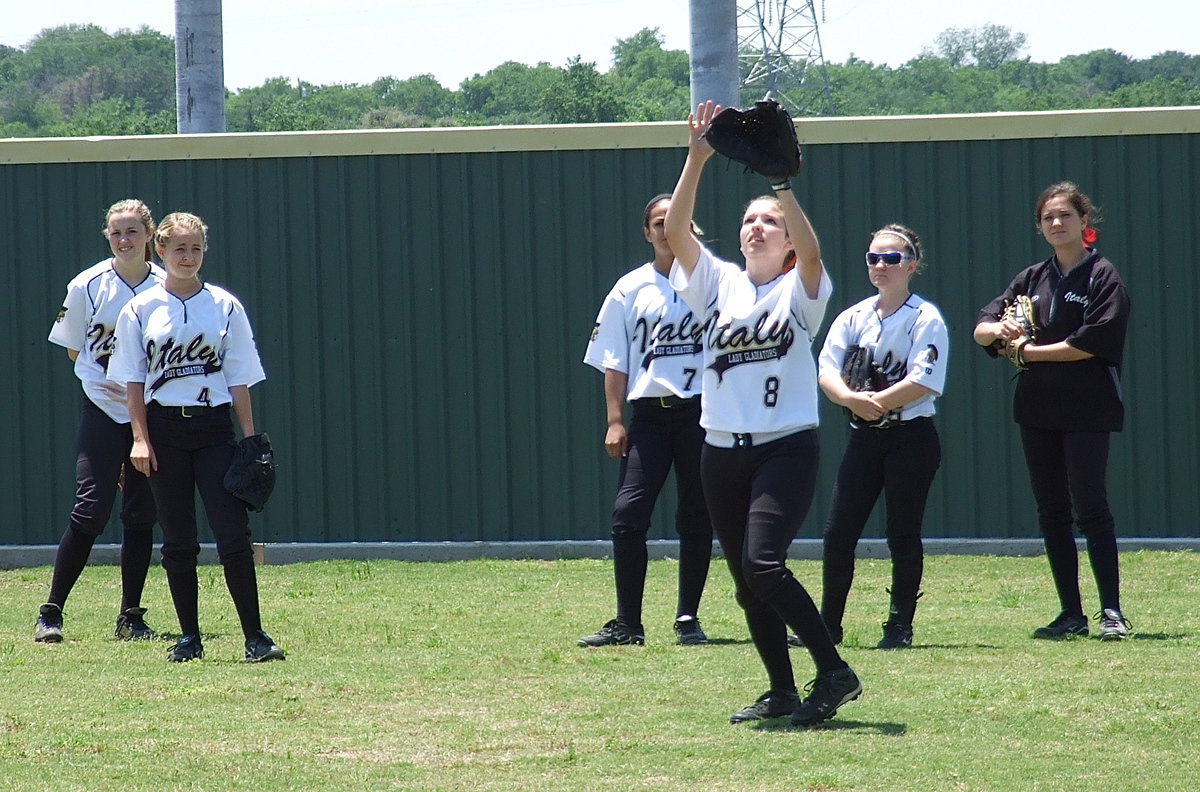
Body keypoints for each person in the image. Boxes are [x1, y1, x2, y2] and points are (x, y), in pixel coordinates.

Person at [664, 100, 860, 727]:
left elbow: (814, 253)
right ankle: (782, 690)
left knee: (764, 565)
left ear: (785, 241)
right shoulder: (718, 282)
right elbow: (675, 232)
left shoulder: (800, 292)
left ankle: (834, 671)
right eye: (749, 220)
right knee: (748, 583)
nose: (756, 228)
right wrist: (697, 158)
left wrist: (781, 188)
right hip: (719, 449)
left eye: (767, 223)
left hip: (784, 447)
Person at [108, 211, 285, 663]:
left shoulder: (224, 305)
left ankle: (256, 637)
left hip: (212, 427)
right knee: (179, 539)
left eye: (196, 248)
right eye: (179, 248)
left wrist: (249, 441)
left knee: (232, 534)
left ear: (205, 251)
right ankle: (190, 636)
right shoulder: (139, 308)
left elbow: (240, 377)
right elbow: (131, 380)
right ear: (160, 250)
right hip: (163, 428)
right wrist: (139, 439)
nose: (188, 256)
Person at [973, 181, 1132, 641]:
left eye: (1065, 215)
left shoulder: (1103, 277)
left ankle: (1111, 612)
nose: (1056, 223)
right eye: (1048, 218)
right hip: (1038, 409)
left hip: (1087, 408)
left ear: (1085, 222)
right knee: (1052, 511)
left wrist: (1026, 352)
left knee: (1091, 507)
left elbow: (1091, 344)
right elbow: (983, 324)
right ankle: (1070, 614)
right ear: (1040, 227)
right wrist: (994, 330)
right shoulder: (1032, 279)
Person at [578, 193, 713, 648]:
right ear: (647, 231)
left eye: (674, 221)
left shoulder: (712, 282)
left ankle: (688, 617)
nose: (665, 229)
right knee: (628, 514)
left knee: (697, 516)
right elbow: (614, 359)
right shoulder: (629, 288)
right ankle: (627, 624)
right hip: (650, 418)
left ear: (690, 228)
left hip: (700, 414)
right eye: (658, 222)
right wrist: (615, 420)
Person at [36, 199, 164, 644]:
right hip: (104, 409)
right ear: (107, 237)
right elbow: (75, 350)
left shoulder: (169, 285)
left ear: (150, 235)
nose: (124, 240)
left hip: (150, 413)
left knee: (141, 514)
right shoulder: (88, 285)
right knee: (90, 508)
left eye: (132, 231)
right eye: (116, 233)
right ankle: (51, 612)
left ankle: (131, 615)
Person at [814, 224, 948, 650]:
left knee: (902, 534)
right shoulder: (853, 317)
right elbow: (827, 371)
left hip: (911, 436)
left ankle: (899, 625)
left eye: (891, 258)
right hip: (865, 437)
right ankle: (827, 625)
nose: (880, 265)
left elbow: (924, 380)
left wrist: (874, 402)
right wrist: (851, 400)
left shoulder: (925, 317)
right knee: (838, 533)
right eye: (873, 258)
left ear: (911, 265)